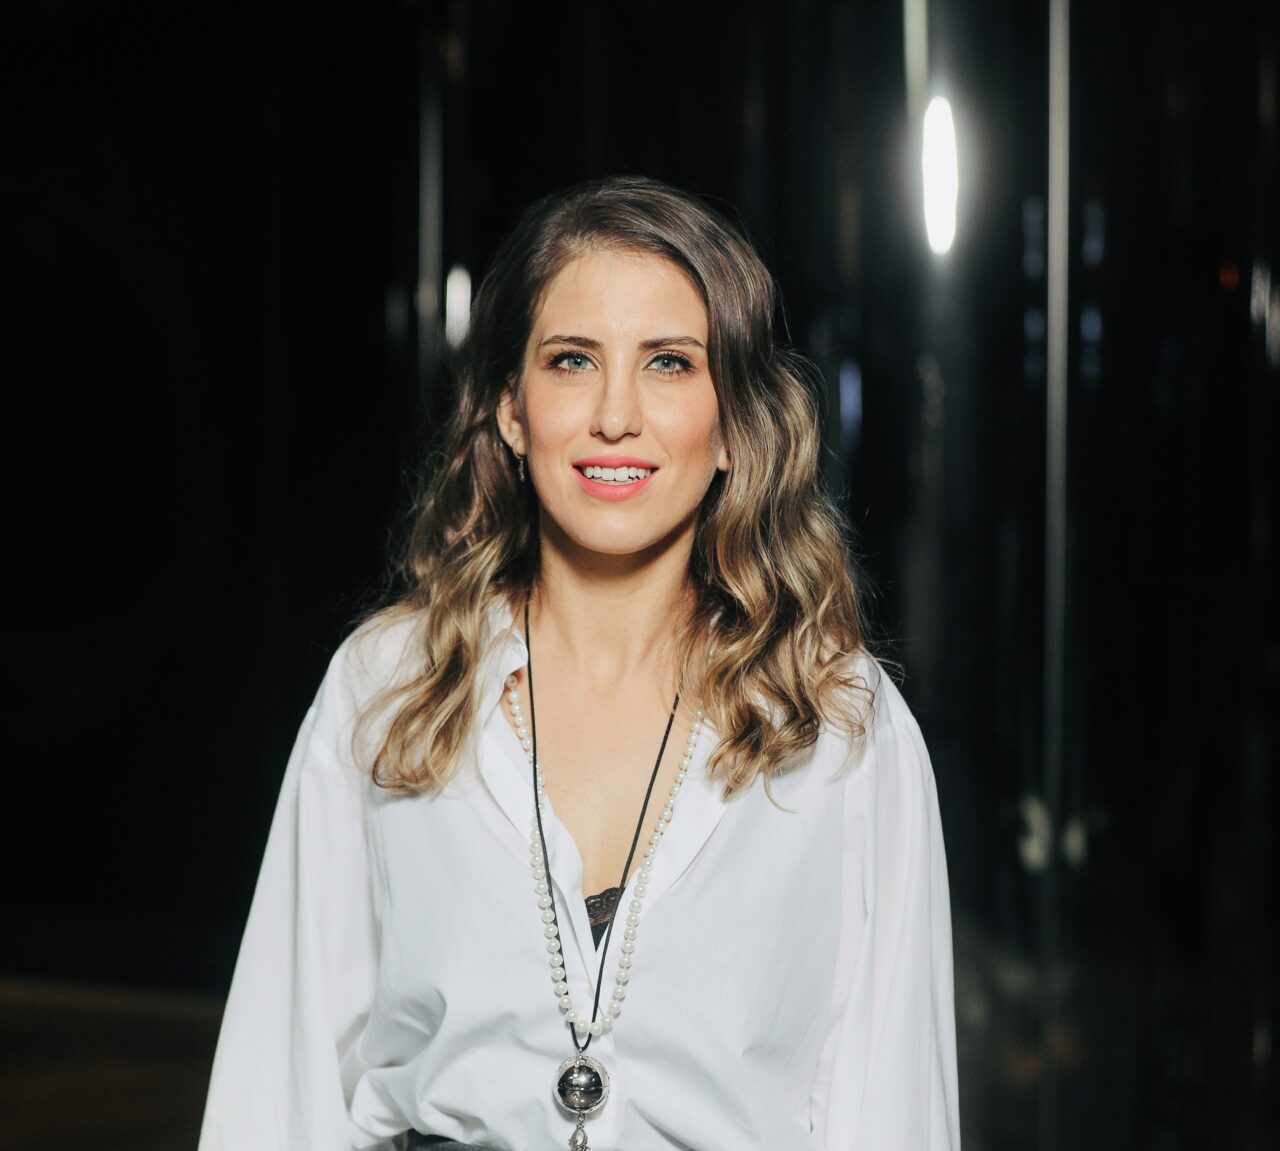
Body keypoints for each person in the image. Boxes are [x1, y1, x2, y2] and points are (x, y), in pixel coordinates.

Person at [199, 176, 960, 1151]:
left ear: (734, 423)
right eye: (571, 360)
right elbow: (279, 1092)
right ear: (512, 411)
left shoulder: (839, 722)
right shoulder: (389, 684)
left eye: (668, 363)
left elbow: (892, 1110)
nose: (614, 415)